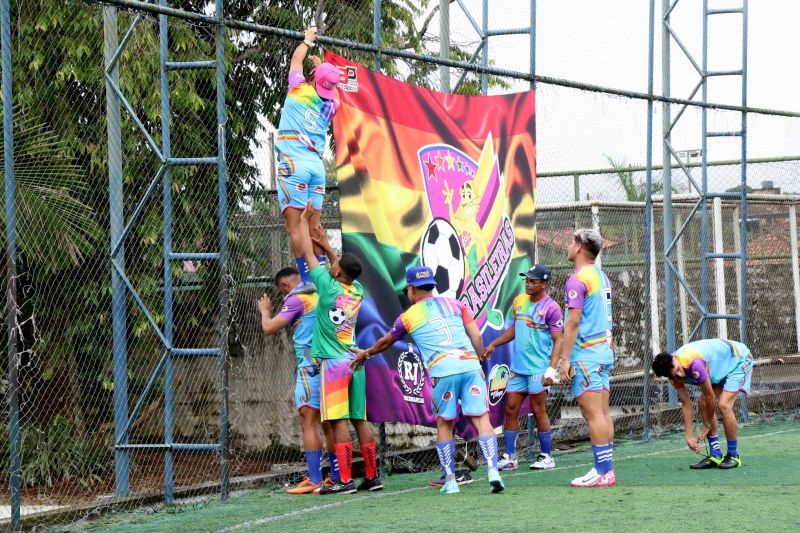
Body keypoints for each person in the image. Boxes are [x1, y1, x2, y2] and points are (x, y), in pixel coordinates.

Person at [352, 265, 505, 495]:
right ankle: (493, 471)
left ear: (412, 289)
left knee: (444, 424)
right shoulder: (456, 304)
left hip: (442, 371)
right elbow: (476, 335)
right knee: (482, 420)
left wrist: (367, 353)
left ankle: (451, 481)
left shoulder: (408, 316)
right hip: (469, 365)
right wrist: (477, 361)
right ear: (432, 286)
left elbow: (386, 341)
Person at [297, 202, 382, 494]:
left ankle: (344, 479)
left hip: (333, 364)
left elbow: (307, 254)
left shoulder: (326, 285)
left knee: (338, 420)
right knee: (360, 419)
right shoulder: (355, 290)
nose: (331, 264)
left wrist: (304, 222)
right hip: (355, 360)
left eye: (334, 264)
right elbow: (342, 266)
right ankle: (372, 477)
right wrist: (329, 246)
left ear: (336, 273)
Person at [257, 267, 340, 494]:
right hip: (331, 364)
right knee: (330, 422)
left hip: (309, 367)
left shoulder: (296, 300)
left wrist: (265, 310)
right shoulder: (321, 294)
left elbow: (268, 328)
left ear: (284, 287)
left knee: (308, 420)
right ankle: (335, 477)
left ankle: (314, 478)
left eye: (281, 290)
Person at [276, 27, 341, 283]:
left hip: (294, 165)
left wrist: (307, 41)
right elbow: (330, 90)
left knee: (295, 227)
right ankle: (320, 280)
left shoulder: (299, 91)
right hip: (317, 167)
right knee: (314, 227)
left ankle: (306, 281)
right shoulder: (331, 106)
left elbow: (295, 61)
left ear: (312, 77)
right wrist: (322, 67)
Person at [485, 264, 563, 471]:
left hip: (538, 368)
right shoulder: (519, 301)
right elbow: (514, 329)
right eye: (526, 280)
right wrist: (494, 344)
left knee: (539, 410)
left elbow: (559, 340)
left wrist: (551, 369)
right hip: (518, 368)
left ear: (544, 284)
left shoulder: (552, 308)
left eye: (532, 281)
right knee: (510, 409)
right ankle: (510, 457)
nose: (527, 284)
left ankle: (547, 456)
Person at [554, 228, 616, 487]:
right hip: (602, 352)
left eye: (571, 242)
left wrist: (564, 360)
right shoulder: (601, 276)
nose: (568, 246)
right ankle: (606, 470)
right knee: (602, 413)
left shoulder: (577, 279)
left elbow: (573, 322)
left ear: (579, 247)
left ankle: (602, 470)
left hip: (586, 355)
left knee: (594, 415)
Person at [652, 338, 753, 469]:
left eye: (678, 370)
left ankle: (733, 455)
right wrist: (689, 436)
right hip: (720, 365)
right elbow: (685, 402)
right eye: (674, 375)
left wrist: (707, 424)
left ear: (674, 358)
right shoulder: (671, 373)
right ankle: (715, 455)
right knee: (702, 403)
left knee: (724, 405)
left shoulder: (695, 364)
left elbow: (710, 397)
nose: (680, 375)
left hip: (739, 359)